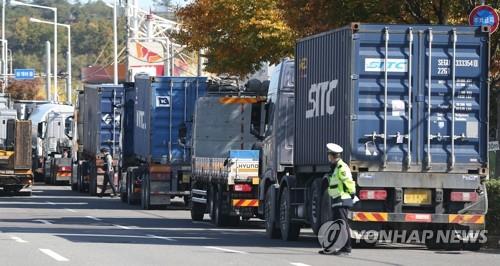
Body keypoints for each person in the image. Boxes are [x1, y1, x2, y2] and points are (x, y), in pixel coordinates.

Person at [323, 143, 356, 255]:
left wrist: (352, 193)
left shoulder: (342, 167)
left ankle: (346, 248)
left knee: (342, 224)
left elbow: (348, 181)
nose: (328, 157)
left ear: (332, 156)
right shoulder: (335, 167)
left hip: (342, 199)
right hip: (337, 199)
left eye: (329, 155)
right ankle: (334, 247)